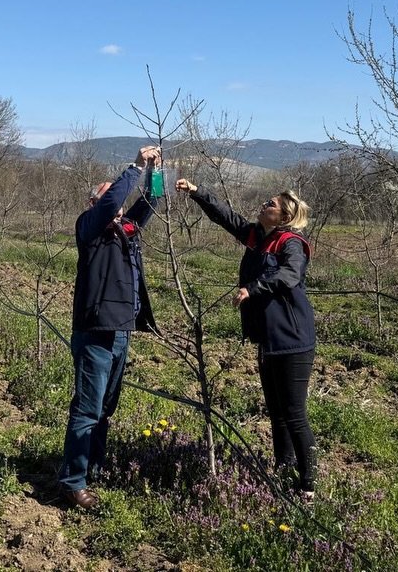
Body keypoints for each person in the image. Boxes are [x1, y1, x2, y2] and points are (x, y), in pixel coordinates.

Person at [176, 178, 318, 500]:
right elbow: (226, 217)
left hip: (293, 340)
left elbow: (290, 274)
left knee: (294, 412)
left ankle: (308, 485)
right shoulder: (258, 237)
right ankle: (284, 469)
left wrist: (253, 288)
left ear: (284, 217)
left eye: (271, 204)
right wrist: (198, 192)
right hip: (268, 339)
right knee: (276, 411)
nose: (264, 205)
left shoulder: (291, 242)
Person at [58, 145, 162, 510]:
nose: (116, 198)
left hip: (121, 331)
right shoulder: (89, 228)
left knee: (105, 409)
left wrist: (155, 171)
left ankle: (93, 468)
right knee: (87, 409)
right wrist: (133, 167)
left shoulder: (126, 230)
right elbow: (112, 199)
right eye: (108, 192)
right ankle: (73, 481)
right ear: (93, 203)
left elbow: (152, 201)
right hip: (94, 331)